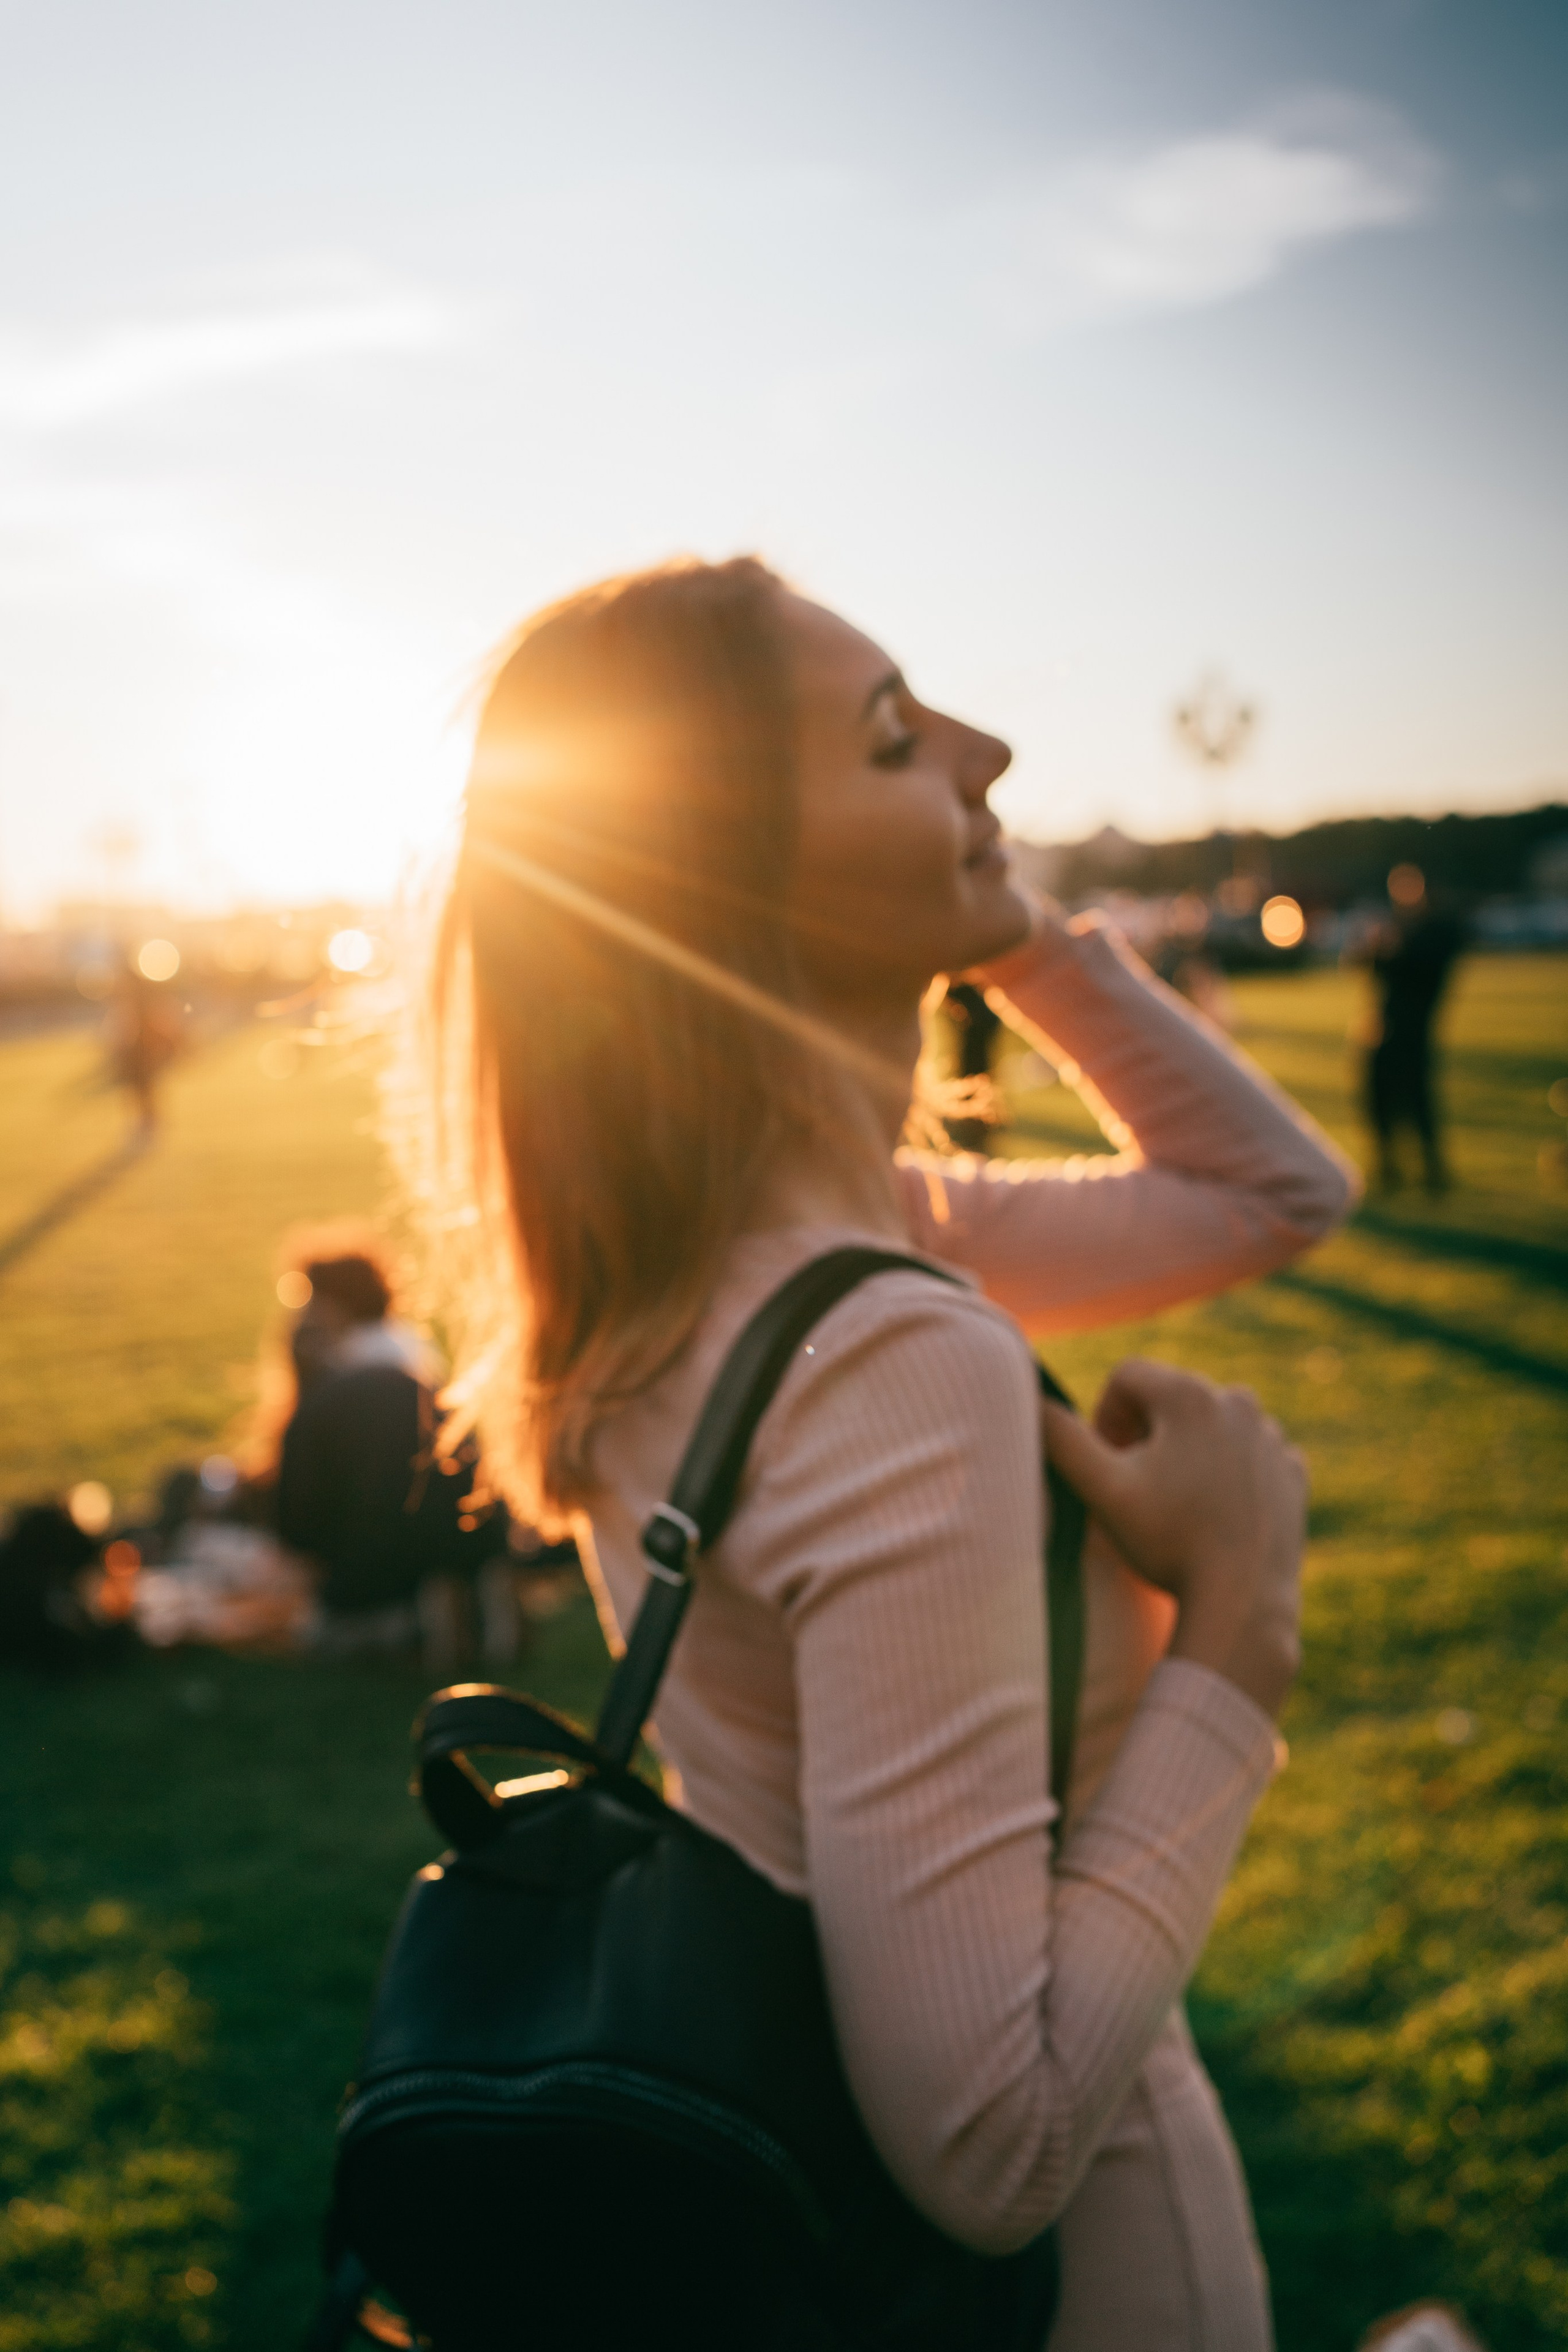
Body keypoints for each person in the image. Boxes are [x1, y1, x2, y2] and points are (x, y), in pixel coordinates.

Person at [418, 559, 1360, 2347]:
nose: (986, 749)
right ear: (721, 876)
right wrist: (1242, 1616)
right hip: (1088, 2264)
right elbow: (989, 2138)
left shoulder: (725, 1259)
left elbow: (1272, 1192)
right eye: (891, 741)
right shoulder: (886, 1338)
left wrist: (1003, 918)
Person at [273, 1229, 513, 1662]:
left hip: (377, 1548)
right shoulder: (414, 1355)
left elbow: (300, 1505)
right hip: (456, 1532)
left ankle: (403, 1617)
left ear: (331, 1303)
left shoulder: (338, 1379)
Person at [1361, 867, 1466, 1194]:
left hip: (1412, 1030)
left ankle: (1431, 1169)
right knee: (1380, 1096)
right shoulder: (1408, 932)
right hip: (1388, 1026)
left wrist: (1387, 945)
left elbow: (1406, 963)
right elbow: (1377, 968)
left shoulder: (1434, 935)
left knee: (1416, 1099)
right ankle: (1390, 1166)